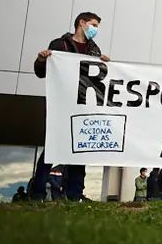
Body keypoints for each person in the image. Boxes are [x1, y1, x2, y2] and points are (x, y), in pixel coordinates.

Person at [30, 12, 109, 201]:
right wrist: (43, 59)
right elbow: (41, 72)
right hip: (62, 104)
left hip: (82, 106)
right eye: (94, 24)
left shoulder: (94, 50)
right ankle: (38, 193)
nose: (95, 29)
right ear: (81, 23)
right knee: (51, 149)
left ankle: (74, 195)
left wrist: (105, 65)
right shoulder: (59, 45)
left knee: (79, 151)